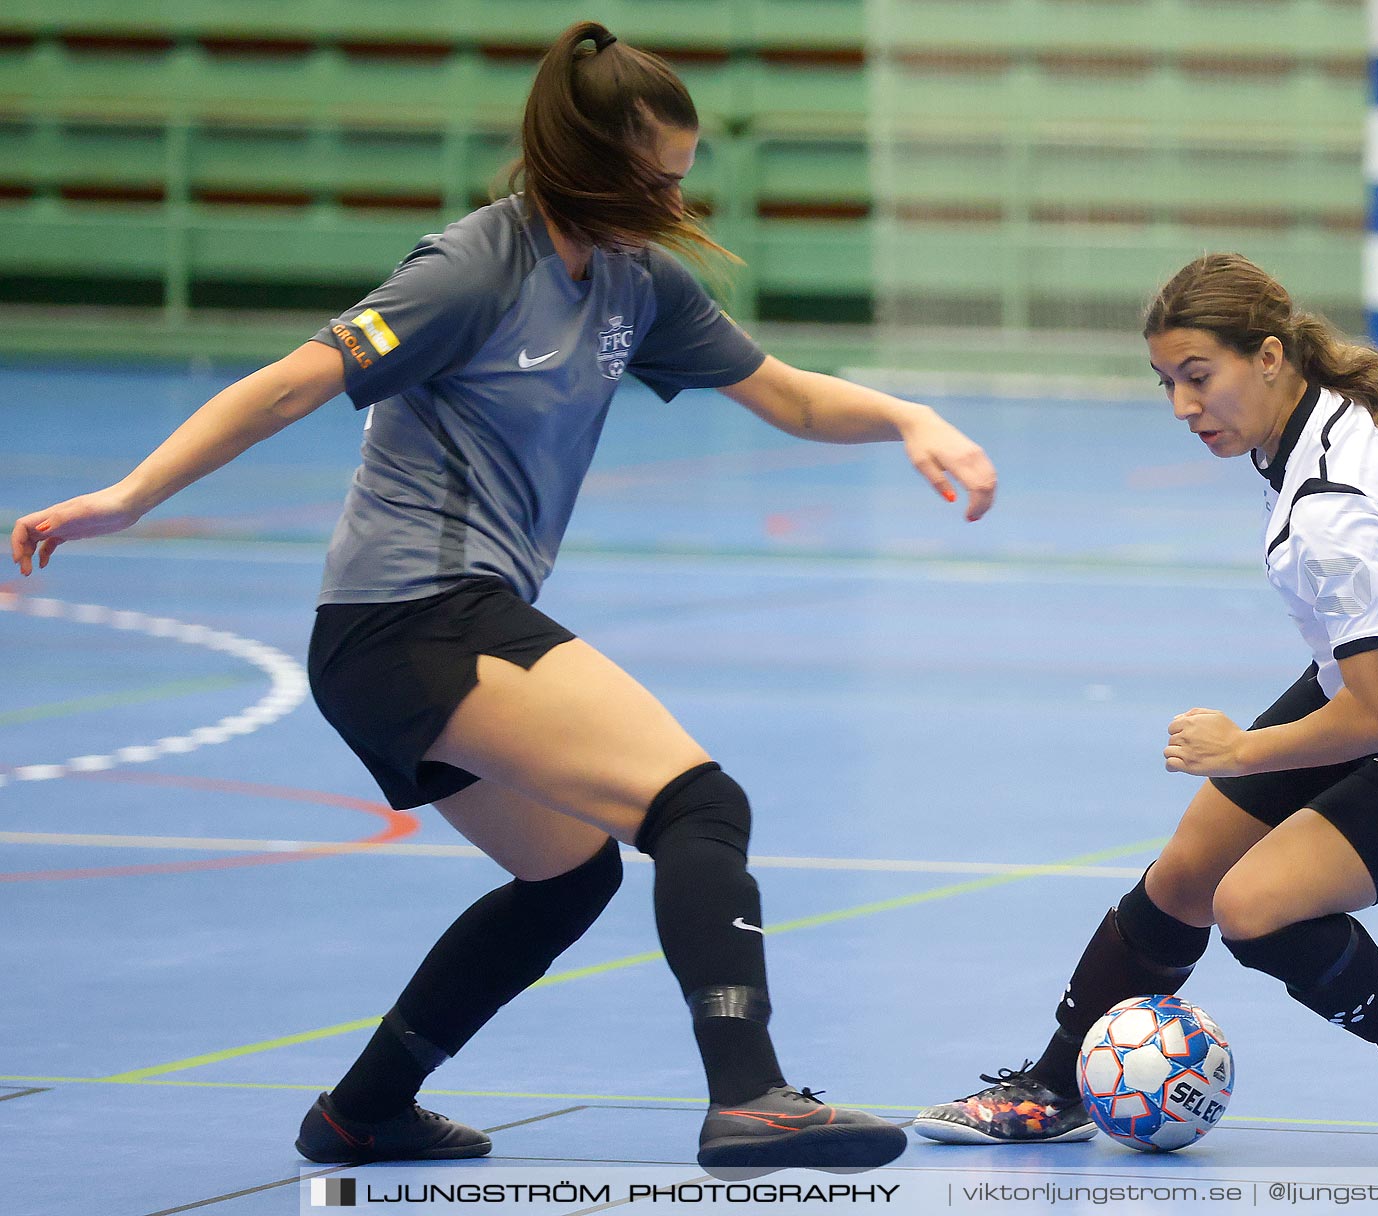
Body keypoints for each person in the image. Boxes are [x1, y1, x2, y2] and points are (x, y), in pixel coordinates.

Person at [10, 20, 996, 1175]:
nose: (674, 204)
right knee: (699, 807)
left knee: (566, 875)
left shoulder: (636, 282)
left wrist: (909, 418)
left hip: (425, 630)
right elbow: (289, 386)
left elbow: (786, 395)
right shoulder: (472, 268)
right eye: (652, 180)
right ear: (582, 162)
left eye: (682, 179)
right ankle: (751, 1096)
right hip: (410, 617)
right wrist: (129, 497)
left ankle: (361, 1110)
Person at [913, 254, 1378, 1172]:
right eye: (1167, 382)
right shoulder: (1338, 401)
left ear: (1271, 357)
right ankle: (1054, 1088)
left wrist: (1241, 748)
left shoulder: (1330, 516)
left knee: (1252, 907)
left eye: (1199, 378)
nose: (1183, 407)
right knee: (1183, 878)